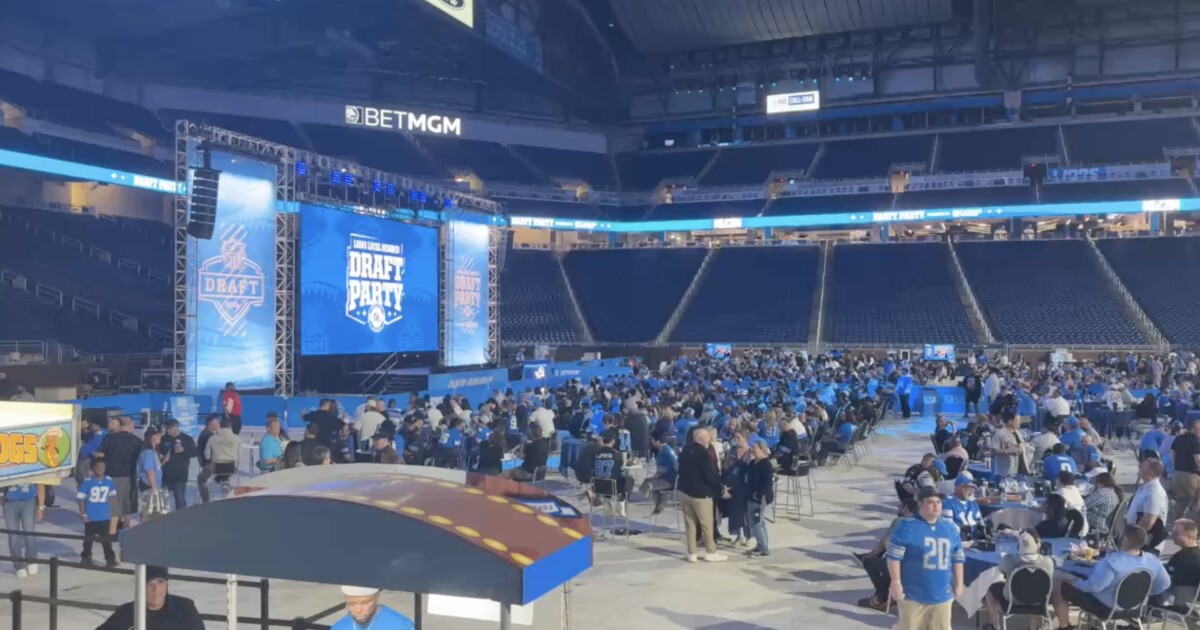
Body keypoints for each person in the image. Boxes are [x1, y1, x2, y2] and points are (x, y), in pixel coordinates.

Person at [1051, 524, 1170, 628]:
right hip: (1136, 608)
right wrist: (1143, 593)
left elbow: (1094, 587)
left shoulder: (1111, 562)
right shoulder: (1152, 560)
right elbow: (1164, 583)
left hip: (1105, 608)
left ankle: (1064, 626)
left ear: (1125, 538)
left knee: (1059, 583)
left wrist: (1075, 583)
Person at [886, 486, 965, 630]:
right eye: (931, 502)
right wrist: (896, 582)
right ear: (920, 504)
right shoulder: (906, 526)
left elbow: (958, 558)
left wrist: (959, 583)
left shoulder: (950, 528)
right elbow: (893, 557)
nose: (936, 506)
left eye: (939, 502)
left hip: (942, 595)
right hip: (913, 596)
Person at [982, 529, 1055, 630]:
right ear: (1038, 543)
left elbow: (1001, 569)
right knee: (1035, 588)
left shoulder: (1009, 560)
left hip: (1012, 602)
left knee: (991, 591)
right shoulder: (1048, 562)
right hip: (1038, 603)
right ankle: (1033, 627)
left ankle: (995, 626)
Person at [96, 566, 206, 630]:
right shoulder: (126, 613)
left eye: (160, 582)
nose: (156, 589)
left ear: (167, 584)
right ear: (141, 586)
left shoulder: (185, 609)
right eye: (150, 584)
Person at [857, 500, 919, 612]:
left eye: (900, 506)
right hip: (918, 566)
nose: (899, 508)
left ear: (906, 509)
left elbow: (885, 543)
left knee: (870, 563)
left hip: (902, 565)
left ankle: (882, 596)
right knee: (884, 563)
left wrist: (872, 554)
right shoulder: (923, 523)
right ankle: (883, 595)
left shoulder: (900, 521)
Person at [677, 426, 728, 563]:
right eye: (707, 436)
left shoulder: (686, 450)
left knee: (690, 524)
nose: (709, 439)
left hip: (684, 491)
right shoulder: (703, 454)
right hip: (700, 494)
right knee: (707, 524)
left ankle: (692, 552)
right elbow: (710, 476)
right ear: (700, 438)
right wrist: (721, 490)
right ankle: (710, 551)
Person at [96, 416, 142, 528]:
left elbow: (100, 456)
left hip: (111, 476)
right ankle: (125, 529)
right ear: (130, 425)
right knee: (127, 506)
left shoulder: (109, 438)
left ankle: (112, 530)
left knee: (113, 506)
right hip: (129, 476)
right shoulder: (137, 441)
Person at [76, 458, 118, 568]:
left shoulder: (109, 481)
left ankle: (110, 559)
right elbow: (80, 498)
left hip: (104, 516)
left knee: (106, 540)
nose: (100, 469)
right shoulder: (88, 482)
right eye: (98, 467)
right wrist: (83, 513)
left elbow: (113, 496)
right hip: (91, 516)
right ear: (93, 469)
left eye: (102, 467)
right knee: (88, 540)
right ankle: (86, 557)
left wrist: (111, 511)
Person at [1, 481, 44, 577]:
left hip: (29, 500)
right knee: (13, 535)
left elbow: (41, 482)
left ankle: (31, 560)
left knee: (29, 532)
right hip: (9, 502)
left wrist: (41, 506)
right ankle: (19, 565)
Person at [1128, 457, 1170, 552]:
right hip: (1138, 542)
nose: (1139, 467)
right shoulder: (1146, 487)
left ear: (1150, 472)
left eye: (1141, 466)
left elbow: (1148, 521)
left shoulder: (1154, 492)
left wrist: (1132, 540)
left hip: (1146, 545)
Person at [332, 585, 415, 629]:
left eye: (364, 603)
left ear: (376, 599)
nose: (358, 610)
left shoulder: (401, 626)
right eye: (352, 604)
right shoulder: (339, 627)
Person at [199, 417, 241, 503]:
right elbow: (239, 455)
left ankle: (206, 501)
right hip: (231, 467)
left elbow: (207, 456)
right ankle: (225, 482)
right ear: (230, 427)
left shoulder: (212, 438)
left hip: (216, 467)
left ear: (220, 427)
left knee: (201, 479)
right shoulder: (237, 439)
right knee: (227, 472)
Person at [158, 419, 197, 510]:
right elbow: (158, 451)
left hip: (180, 476)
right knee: (161, 500)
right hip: (165, 475)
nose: (168, 431)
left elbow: (195, 452)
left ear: (176, 427)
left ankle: (181, 520)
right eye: (167, 429)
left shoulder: (187, 439)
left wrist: (183, 451)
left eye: (170, 428)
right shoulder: (164, 439)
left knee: (180, 500)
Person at [745, 439, 774, 558]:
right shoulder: (753, 463)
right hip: (751, 496)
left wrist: (758, 495)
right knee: (760, 523)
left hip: (760, 498)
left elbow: (767, 483)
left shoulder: (766, 464)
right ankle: (762, 544)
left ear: (762, 449)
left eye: (755, 448)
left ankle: (763, 548)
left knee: (756, 523)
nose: (752, 450)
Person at [640, 431, 678, 515]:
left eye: (652, 441)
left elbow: (659, 473)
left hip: (668, 480)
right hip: (674, 478)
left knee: (645, 486)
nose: (651, 444)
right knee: (652, 488)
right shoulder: (667, 448)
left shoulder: (662, 452)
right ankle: (660, 503)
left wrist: (650, 479)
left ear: (657, 441)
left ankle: (660, 503)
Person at [1166, 518, 1200, 605]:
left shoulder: (1182, 558)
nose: (1172, 535)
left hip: (1183, 598)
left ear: (1189, 536)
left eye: (1176, 533)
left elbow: (1167, 577)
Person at [1171, 419, 1200, 522]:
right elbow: (1197, 458)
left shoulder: (1178, 438)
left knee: (1180, 503)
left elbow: (1172, 453)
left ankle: (1178, 526)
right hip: (1191, 476)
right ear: (1194, 429)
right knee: (1196, 504)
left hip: (1178, 475)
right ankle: (1195, 531)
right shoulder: (1194, 441)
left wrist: (1176, 466)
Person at [1084, 472, 1124, 540]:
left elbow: (1084, 506)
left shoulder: (1102, 493)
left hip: (1095, 527)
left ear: (1100, 483)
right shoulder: (1113, 493)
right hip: (1106, 527)